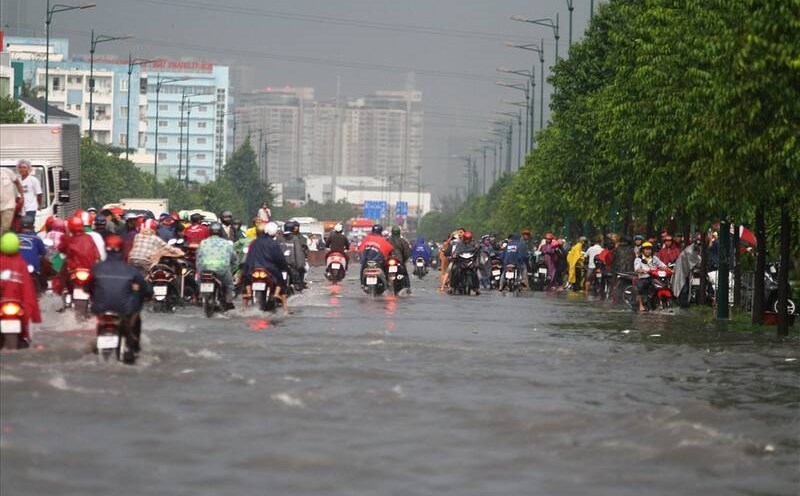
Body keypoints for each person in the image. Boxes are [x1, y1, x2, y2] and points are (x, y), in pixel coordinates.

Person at [87, 235, 153, 358]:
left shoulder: (96, 268)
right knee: (136, 311)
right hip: (125, 310)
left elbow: (88, 287)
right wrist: (147, 294)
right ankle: (134, 345)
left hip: (100, 308)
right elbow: (145, 288)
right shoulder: (130, 270)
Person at [0, 232, 42, 348]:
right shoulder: (20, 263)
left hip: (6, 305)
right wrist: (34, 316)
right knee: (27, 338)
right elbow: (29, 291)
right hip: (17, 306)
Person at [243, 221, 289, 310]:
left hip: (253, 268)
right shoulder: (274, 243)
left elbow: (249, 257)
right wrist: (284, 267)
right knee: (281, 281)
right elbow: (279, 258)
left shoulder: (254, 242)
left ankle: (244, 305)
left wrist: (247, 268)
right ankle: (285, 307)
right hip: (269, 269)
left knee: (246, 280)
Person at [196, 221, 237, 310]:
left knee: (199, 281)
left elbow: (198, 257)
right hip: (222, 269)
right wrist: (233, 268)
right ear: (221, 232)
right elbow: (234, 259)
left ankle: (199, 296)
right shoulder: (227, 243)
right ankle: (228, 301)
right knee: (230, 285)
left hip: (204, 268)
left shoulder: (203, 242)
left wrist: (199, 270)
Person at [58, 216, 101, 298]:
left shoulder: (69, 239)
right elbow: (97, 254)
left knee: (61, 274)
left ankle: (65, 290)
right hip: (89, 270)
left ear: (70, 228)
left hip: (74, 270)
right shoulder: (89, 237)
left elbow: (61, 248)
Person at [634, 241, 668, 311]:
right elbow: (637, 269)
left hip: (654, 277)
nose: (648, 251)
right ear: (643, 250)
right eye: (646, 249)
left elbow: (662, 265)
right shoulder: (639, 259)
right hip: (643, 278)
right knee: (640, 287)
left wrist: (667, 268)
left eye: (649, 249)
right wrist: (642, 270)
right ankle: (641, 305)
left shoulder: (654, 258)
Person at [672, 235, 703, 307]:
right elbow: (697, 261)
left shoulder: (694, 250)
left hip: (687, 271)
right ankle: (682, 305)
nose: (698, 245)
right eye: (697, 244)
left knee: (687, 287)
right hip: (682, 271)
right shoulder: (689, 251)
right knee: (683, 288)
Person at [17, 215, 47, 289]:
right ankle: (44, 287)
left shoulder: (16, 237)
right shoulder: (37, 238)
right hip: (33, 268)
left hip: (18, 267)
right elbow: (43, 252)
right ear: (32, 226)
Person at [282, 221, 309, 288]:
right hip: (285, 260)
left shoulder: (300, 237)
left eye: (297, 226)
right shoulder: (281, 237)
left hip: (295, 258)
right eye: (295, 226)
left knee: (304, 268)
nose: (296, 228)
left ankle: (301, 282)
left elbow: (302, 249)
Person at [1, 167, 23, 234]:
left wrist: (21, 196)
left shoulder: (7, 171)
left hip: (8, 206)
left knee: (5, 228)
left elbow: (18, 183)